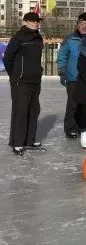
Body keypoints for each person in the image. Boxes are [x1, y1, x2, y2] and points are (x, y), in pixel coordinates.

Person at [3, 12, 44, 156]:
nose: (35, 23)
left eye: (37, 21)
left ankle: (30, 140)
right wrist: (14, 74)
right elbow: (8, 58)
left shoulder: (39, 37)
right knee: (21, 111)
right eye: (32, 21)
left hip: (35, 80)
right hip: (20, 81)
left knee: (34, 110)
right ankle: (17, 143)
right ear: (25, 22)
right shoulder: (18, 37)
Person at [57, 12, 86, 138]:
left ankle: (82, 127)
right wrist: (62, 72)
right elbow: (62, 55)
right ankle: (71, 127)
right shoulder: (70, 38)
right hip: (73, 77)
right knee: (72, 104)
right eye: (81, 24)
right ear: (77, 25)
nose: (84, 26)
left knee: (85, 105)